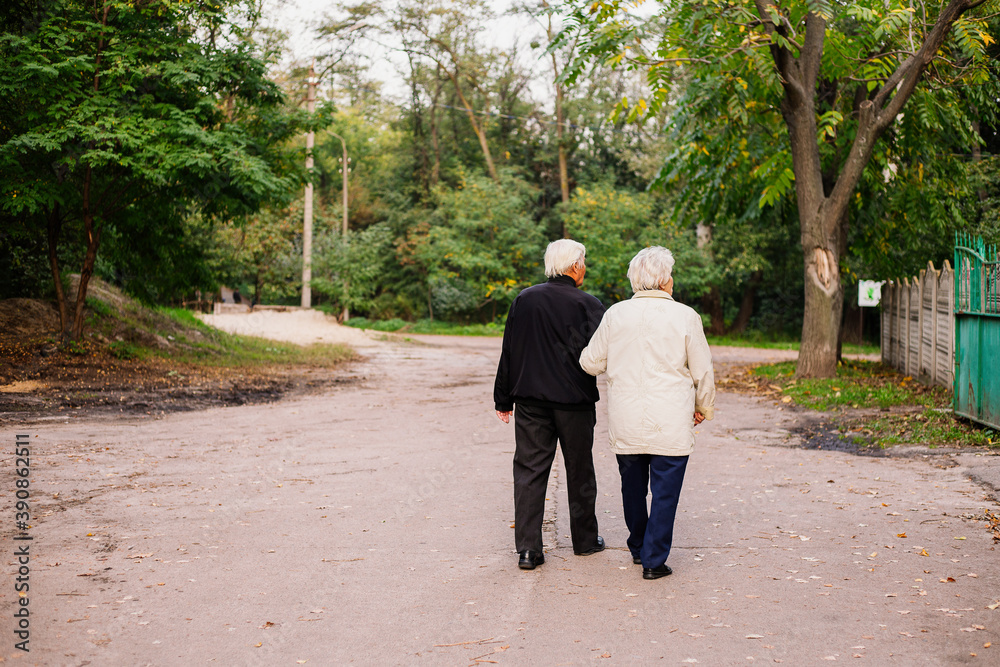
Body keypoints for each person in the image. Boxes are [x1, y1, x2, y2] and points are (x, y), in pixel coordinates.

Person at [579, 246, 715, 580]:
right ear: (666, 280)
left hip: (627, 417)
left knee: (632, 488)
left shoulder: (615, 314)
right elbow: (703, 371)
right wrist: (703, 407)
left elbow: (589, 362)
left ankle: (639, 547)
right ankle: (654, 560)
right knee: (665, 492)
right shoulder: (686, 316)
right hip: (671, 418)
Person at [494, 239, 607, 570]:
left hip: (531, 401)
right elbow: (602, 354)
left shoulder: (525, 300)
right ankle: (585, 542)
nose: (584, 268)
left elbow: (509, 351)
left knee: (529, 470)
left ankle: (529, 550)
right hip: (575, 402)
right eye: (583, 262)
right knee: (579, 468)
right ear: (574, 267)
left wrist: (503, 397)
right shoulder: (589, 304)